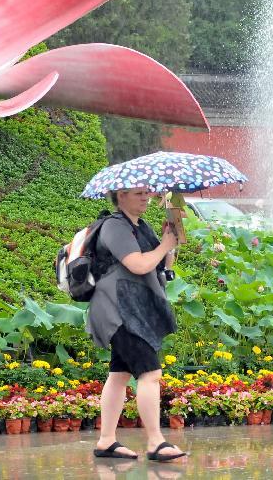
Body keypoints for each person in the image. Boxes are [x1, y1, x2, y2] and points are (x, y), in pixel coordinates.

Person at [86, 187, 187, 463]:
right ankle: (156, 442)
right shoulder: (113, 227)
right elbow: (138, 264)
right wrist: (163, 246)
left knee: (119, 375)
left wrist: (171, 242)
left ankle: (106, 440)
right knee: (150, 373)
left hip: (133, 308)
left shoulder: (141, 226)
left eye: (147, 193)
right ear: (121, 196)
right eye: (138, 193)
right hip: (118, 310)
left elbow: (160, 266)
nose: (146, 197)